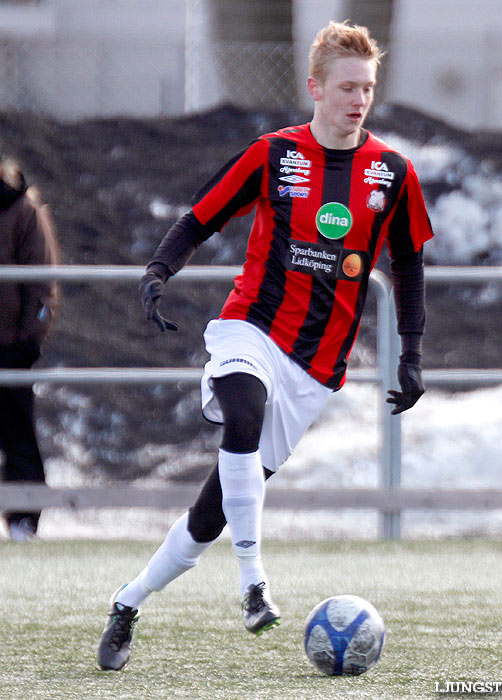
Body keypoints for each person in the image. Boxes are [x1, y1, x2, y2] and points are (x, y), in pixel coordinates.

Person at [97, 19, 433, 671]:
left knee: (209, 514)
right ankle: (254, 585)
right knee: (241, 417)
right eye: (345, 87)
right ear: (314, 87)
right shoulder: (275, 154)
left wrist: (412, 353)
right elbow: (200, 217)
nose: (358, 99)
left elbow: (410, 267)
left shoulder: (391, 172)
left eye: (366, 87)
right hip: (249, 329)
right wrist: (158, 272)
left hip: (315, 369)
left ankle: (128, 601)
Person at [0, 156, 59, 541]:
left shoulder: (22, 210)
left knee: (18, 430)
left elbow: (41, 281)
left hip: (9, 346)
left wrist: (27, 340)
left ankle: (23, 519)